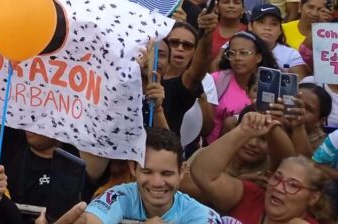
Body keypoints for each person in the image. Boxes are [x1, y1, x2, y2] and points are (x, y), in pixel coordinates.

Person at [193, 112, 329, 224]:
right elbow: (203, 174)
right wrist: (243, 131)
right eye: (276, 178)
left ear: (313, 197)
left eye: (293, 185)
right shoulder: (250, 196)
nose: (279, 188)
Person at [84, 127, 222, 223]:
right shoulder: (117, 197)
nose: (157, 182)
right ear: (133, 168)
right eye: (147, 172)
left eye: (166, 174)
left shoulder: (201, 216)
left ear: (181, 172)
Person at [209, 32, 280, 141]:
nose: (237, 58)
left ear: (258, 57)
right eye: (232, 53)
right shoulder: (216, 80)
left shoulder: (272, 85)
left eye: (244, 53)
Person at [246, 3, 308, 78]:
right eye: (261, 22)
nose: (267, 28)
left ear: (280, 30)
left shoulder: (291, 55)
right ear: (250, 26)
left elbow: (301, 83)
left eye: (274, 24)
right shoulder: (238, 48)